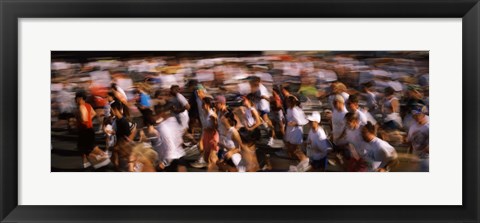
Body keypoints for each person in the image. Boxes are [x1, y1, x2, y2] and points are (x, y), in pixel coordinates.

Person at [74, 91, 110, 169]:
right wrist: (88, 119)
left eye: (76, 98)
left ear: (80, 99)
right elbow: (93, 114)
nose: (74, 100)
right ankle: (86, 163)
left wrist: (79, 121)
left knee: (92, 148)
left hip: (85, 131)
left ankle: (105, 156)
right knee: (82, 148)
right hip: (87, 130)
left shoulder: (81, 106)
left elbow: (84, 118)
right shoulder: (88, 105)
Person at [151, 103, 188, 172]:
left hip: (171, 162)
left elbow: (170, 148)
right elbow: (180, 141)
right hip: (180, 156)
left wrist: (163, 163)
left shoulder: (162, 127)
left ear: (160, 114)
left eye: (154, 114)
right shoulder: (173, 121)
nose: (152, 116)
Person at [249, 76, 275, 145]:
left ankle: (271, 135)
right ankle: (266, 135)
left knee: (265, 121)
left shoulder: (261, 89)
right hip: (259, 107)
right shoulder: (257, 87)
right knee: (262, 121)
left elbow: (263, 97)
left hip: (263, 107)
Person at [284, 95, 309, 164]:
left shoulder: (295, 110)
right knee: (289, 147)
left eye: (288, 102)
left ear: (291, 103)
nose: (286, 103)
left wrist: (292, 124)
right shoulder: (289, 109)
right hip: (290, 130)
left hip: (295, 131)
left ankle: (305, 161)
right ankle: (297, 161)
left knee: (295, 149)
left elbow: (299, 122)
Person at [198, 96, 220, 171]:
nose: (201, 105)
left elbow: (217, 127)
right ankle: (220, 168)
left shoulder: (212, 115)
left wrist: (214, 123)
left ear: (207, 104)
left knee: (211, 158)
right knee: (206, 158)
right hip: (206, 136)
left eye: (203, 104)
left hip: (213, 136)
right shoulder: (205, 113)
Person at [406, 105, 429, 171]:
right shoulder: (413, 127)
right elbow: (410, 142)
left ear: (424, 114)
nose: (416, 117)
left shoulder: (428, 127)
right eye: (414, 115)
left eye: (418, 114)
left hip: (427, 159)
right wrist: (410, 155)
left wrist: (418, 157)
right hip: (416, 158)